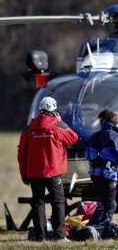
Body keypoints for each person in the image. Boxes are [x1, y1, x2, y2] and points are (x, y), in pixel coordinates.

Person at [17, 96, 78, 241]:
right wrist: (61, 121)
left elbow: (21, 155)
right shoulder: (58, 126)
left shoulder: (29, 129)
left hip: (34, 173)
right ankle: (59, 236)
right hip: (54, 172)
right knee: (58, 203)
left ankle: (40, 236)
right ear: (54, 109)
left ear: (40, 108)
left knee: (38, 204)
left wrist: (24, 175)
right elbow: (74, 138)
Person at [86, 109, 118, 226]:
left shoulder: (94, 136)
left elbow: (88, 155)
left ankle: (91, 226)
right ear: (116, 122)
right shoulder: (116, 136)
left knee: (101, 202)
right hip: (108, 174)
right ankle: (104, 228)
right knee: (110, 204)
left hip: (94, 173)